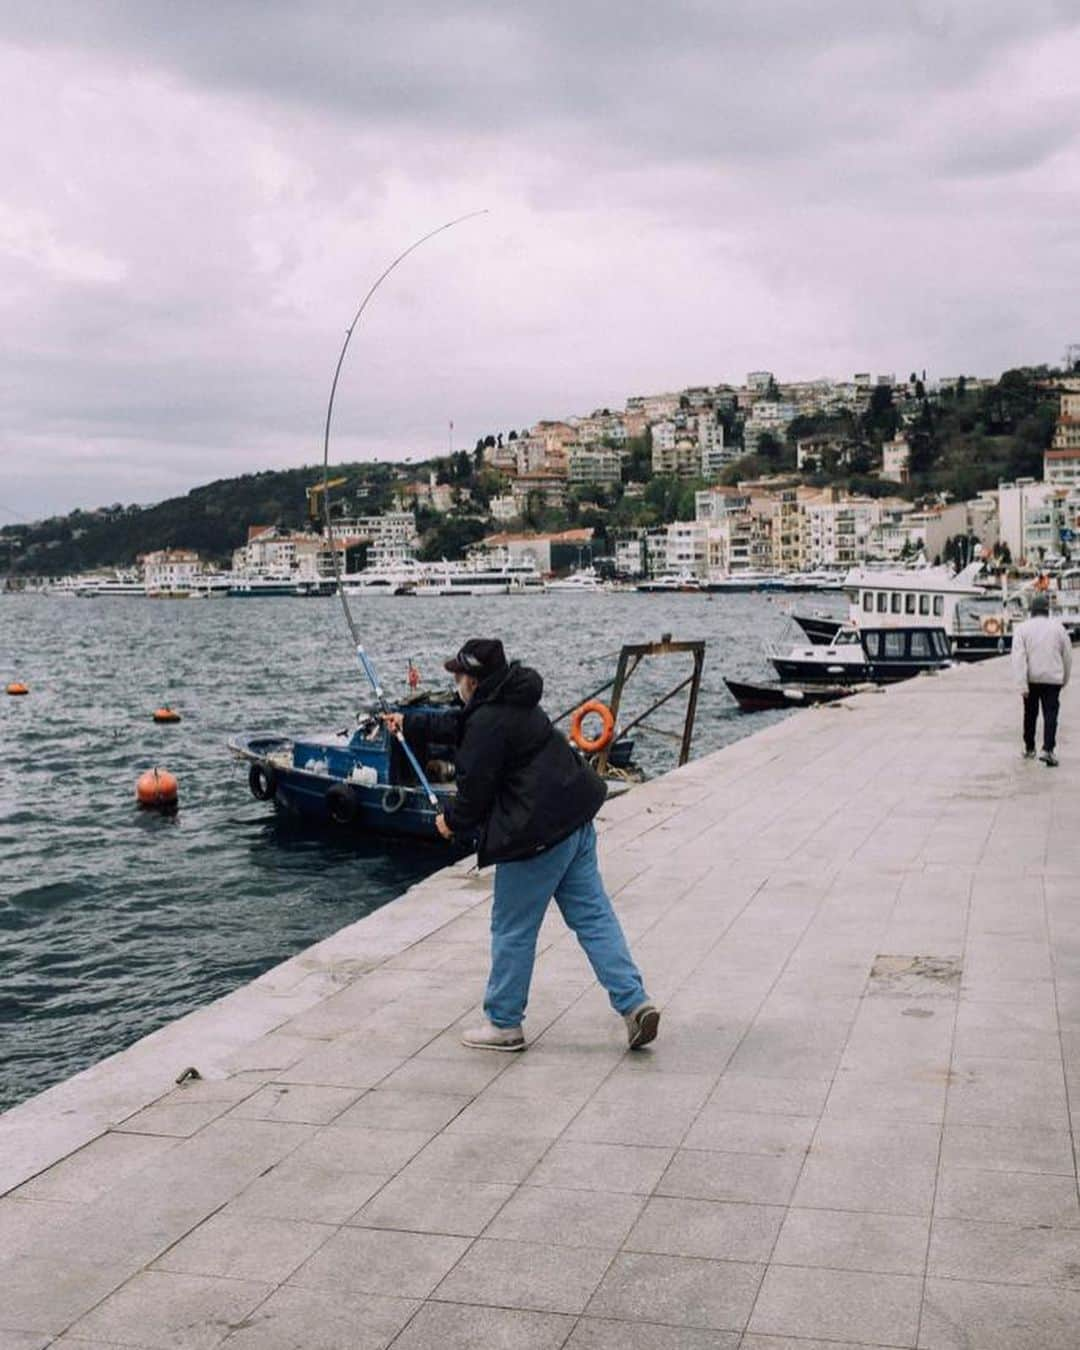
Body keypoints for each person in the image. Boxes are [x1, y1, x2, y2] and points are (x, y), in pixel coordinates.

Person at [383, 638, 659, 1052]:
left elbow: (474, 792)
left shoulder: (487, 720)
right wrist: (409, 723)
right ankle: (635, 1005)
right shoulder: (512, 697)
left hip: (535, 836)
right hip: (575, 819)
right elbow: (462, 724)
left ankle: (504, 1023)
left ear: (473, 680)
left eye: (458, 675)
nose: (456, 682)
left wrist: (450, 822)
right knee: (594, 917)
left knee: (512, 929)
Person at [1011, 592, 1072, 766]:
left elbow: (1019, 658)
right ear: (1048, 610)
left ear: (1032, 610)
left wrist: (1021, 684)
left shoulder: (1022, 629)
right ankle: (1048, 749)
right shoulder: (1058, 628)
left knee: (1030, 714)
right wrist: (1064, 679)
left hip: (1031, 678)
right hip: (1053, 679)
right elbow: (1067, 656)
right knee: (1050, 714)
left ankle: (1029, 747)